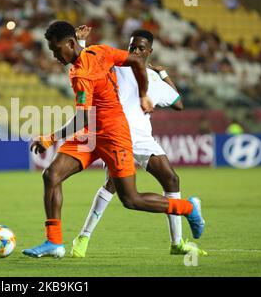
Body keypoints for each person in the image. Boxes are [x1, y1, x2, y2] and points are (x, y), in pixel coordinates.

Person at [22, 21, 205, 258]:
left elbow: (82, 118)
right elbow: (134, 62)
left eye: (56, 50)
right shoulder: (98, 51)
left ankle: (188, 208)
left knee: (131, 199)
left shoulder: (82, 73)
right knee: (52, 175)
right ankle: (54, 242)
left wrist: (50, 137)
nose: (55, 56)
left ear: (69, 43)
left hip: (113, 134)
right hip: (91, 133)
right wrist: (141, 94)